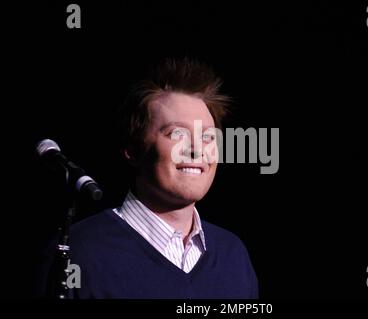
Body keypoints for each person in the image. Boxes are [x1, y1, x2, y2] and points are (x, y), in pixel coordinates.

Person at [37, 58, 258, 299]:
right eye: (177, 133)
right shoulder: (78, 254)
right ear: (133, 149)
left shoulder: (232, 254)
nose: (197, 149)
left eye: (207, 137)